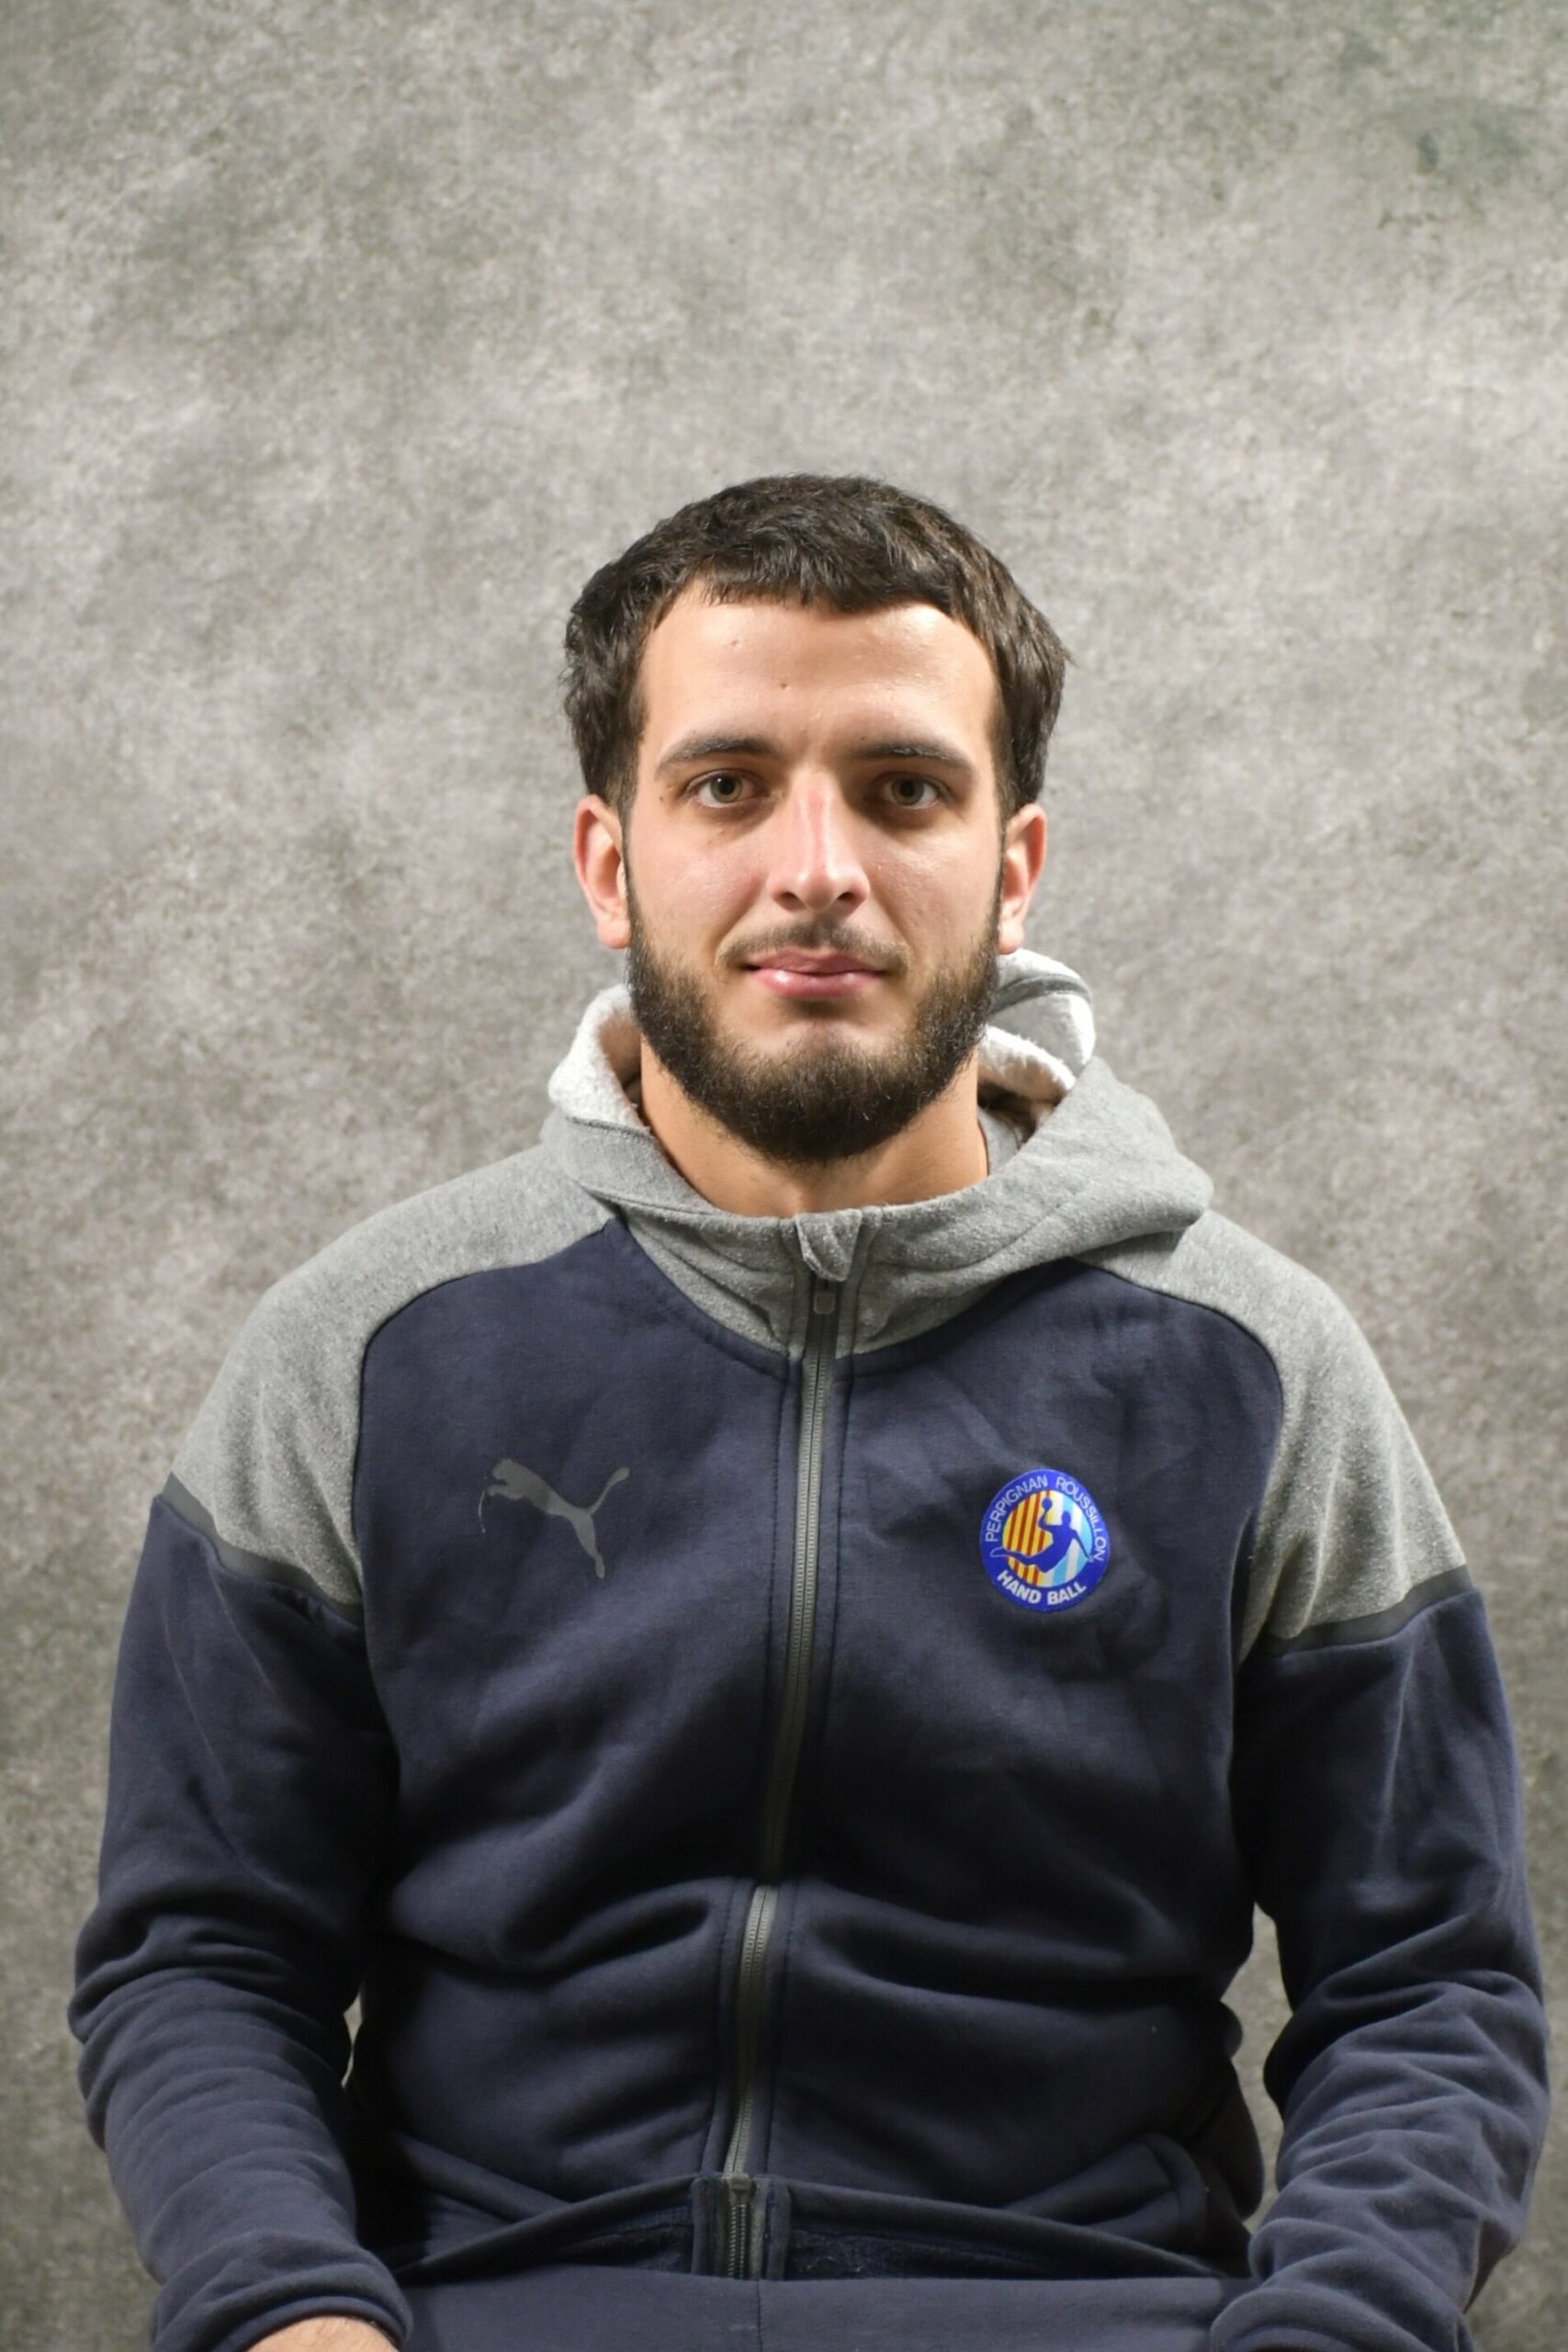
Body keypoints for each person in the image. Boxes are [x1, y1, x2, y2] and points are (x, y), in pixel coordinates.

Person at [70, 475, 1549, 2352]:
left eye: (903, 789)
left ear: (1014, 862)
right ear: (609, 860)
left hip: (1091, 2316)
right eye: (728, 785)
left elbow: (1426, 1986)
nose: (818, 867)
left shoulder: (1252, 1366)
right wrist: (290, 2315)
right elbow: (205, 1955)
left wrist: (1330, 2328)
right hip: (481, 2312)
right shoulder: (361, 1354)